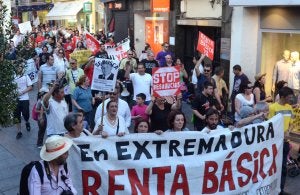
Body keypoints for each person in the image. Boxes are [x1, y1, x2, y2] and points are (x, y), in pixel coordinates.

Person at [268, 86, 294, 195]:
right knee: (273, 167)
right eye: (289, 97)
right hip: (275, 142)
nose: (291, 99)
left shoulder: (290, 107)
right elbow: (270, 125)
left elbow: (291, 122)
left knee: (283, 167)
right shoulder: (273, 107)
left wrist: (289, 130)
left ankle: (281, 190)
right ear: (282, 97)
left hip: (285, 142)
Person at [14, 63, 33, 139]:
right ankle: (19, 131)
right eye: (17, 67)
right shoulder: (12, 77)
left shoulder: (25, 76)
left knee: (26, 114)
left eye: (20, 67)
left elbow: (30, 87)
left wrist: (22, 92)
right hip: (15, 99)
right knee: (16, 116)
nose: (19, 68)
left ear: (22, 68)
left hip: (24, 98)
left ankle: (27, 122)